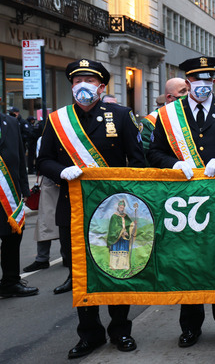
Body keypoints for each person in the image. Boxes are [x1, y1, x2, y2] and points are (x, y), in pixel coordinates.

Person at [38, 59, 144, 358]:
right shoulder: (57, 120)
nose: (82, 86)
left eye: (89, 80)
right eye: (76, 80)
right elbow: (42, 160)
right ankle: (90, 334)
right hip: (73, 208)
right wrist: (62, 171)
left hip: (113, 211)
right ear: (71, 86)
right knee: (82, 273)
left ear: (101, 87)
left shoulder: (121, 115)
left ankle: (121, 330)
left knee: (116, 268)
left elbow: (137, 162)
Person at [147, 56, 215, 347]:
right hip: (184, 205)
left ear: (213, 82)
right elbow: (154, 153)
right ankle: (190, 327)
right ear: (187, 83)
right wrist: (174, 164)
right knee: (187, 262)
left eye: (208, 80)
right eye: (196, 80)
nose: (202, 85)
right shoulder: (169, 114)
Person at [0, 101, 37, 299]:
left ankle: (10, 282)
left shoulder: (11, 123)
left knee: (12, 238)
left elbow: (21, 160)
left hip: (9, 195)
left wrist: (24, 189)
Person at [140, 78, 188, 160]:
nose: (188, 94)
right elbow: (146, 154)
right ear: (169, 97)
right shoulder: (151, 121)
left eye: (189, 90)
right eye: (183, 91)